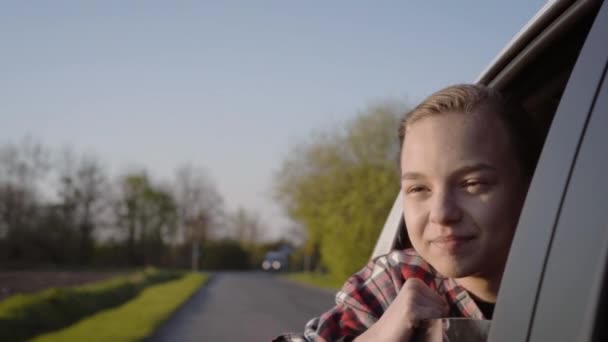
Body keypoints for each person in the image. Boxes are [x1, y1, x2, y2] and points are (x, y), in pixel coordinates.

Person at [273, 84, 544, 342]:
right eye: (418, 188)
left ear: (531, 188)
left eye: (472, 184)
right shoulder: (397, 282)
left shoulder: (574, 279)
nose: (441, 213)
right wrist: (376, 336)